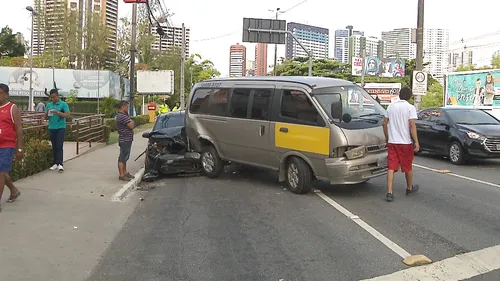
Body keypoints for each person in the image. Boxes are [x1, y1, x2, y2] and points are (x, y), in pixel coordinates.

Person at [382, 87, 420, 202]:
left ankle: (389, 192)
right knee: (407, 166)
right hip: (405, 142)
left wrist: (387, 136)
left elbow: (384, 123)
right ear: (409, 96)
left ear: (399, 94)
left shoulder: (391, 106)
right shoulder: (410, 108)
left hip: (393, 141)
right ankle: (409, 188)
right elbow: (412, 125)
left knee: (391, 167)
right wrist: (416, 142)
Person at [0, 84, 23, 212]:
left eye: (0, 93)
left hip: (7, 145)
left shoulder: (12, 108)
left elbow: (19, 128)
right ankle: (14, 190)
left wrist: (19, 148)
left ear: (6, 94)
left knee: (0, 172)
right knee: (1, 172)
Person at [46, 89, 70, 172]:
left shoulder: (63, 104)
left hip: (61, 127)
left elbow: (67, 115)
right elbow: (46, 117)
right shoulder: (49, 105)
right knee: (54, 146)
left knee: (59, 145)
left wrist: (57, 112)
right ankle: (55, 163)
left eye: (54, 97)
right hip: (52, 127)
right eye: (51, 97)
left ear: (57, 95)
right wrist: (47, 114)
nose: (53, 99)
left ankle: (60, 163)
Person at [116, 101, 135, 181]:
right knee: (122, 157)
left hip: (127, 139)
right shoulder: (122, 116)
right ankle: (121, 174)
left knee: (125, 157)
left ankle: (125, 172)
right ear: (123, 107)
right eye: (126, 107)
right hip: (124, 139)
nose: (127, 108)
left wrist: (131, 122)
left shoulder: (124, 116)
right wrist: (132, 122)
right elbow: (131, 126)